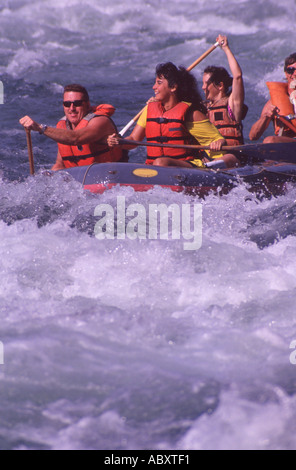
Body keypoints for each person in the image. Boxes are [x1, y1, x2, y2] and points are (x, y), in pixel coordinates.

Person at [108, 62, 238, 169]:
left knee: (161, 163)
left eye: (159, 83)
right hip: (155, 167)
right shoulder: (149, 109)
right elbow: (134, 140)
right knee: (157, 163)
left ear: (173, 87)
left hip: (186, 167)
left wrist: (219, 142)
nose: (154, 87)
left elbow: (218, 139)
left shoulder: (191, 114)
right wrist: (120, 142)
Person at [19, 84, 124, 170]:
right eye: (67, 104)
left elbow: (76, 138)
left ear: (87, 105)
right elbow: (59, 165)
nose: (72, 108)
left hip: (112, 177)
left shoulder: (100, 121)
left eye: (77, 103)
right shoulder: (63, 127)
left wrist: (39, 127)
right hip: (82, 182)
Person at [202, 34, 246, 160]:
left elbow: (237, 76)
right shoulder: (203, 107)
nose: (203, 87)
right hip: (208, 158)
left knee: (224, 160)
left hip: (232, 158)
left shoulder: (232, 104)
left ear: (220, 86)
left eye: (206, 83)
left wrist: (226, 48)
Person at [249, 52, 296, 143]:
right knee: (270, 141)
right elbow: (253, 136)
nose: (295, 74)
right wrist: (266, 117)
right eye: (291, 70)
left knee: (270, 141)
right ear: (286, 74)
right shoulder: (273, 102)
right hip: (287, 145)